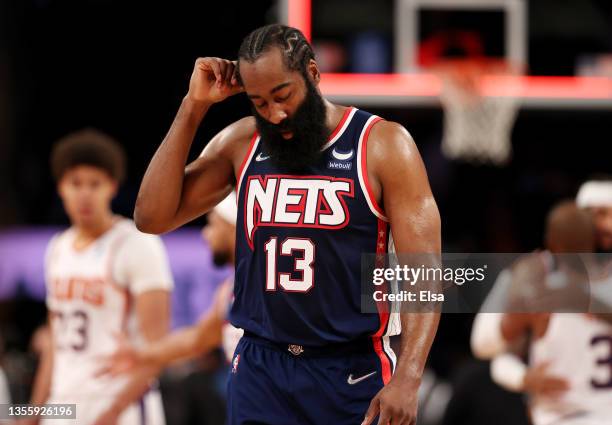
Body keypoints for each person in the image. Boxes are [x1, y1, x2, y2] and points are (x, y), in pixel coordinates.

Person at [135, 24, 441, 425]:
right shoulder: (243, 143)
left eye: (283, 96)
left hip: (349, 368)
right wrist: (193, 106)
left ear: (313, 74)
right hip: (261, 367)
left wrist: (409, 376)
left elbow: (427, 272)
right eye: (259, 103)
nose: (275, 114)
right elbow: (150, 216)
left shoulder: (382, 145)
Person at [30, 129, 174, 425]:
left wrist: (112, 412)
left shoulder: (137, 244)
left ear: (112, 187)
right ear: (61, 188)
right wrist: (33, 411)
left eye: (94, 184)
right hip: (65, 402)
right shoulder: (57, 248)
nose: (84, 194)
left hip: (120, 402)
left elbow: (159, 345)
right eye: (75, 183)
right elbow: (55, 342)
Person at [473, 195, 612, 425]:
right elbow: (486, 348)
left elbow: (488, 352)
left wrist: (522, 378)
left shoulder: (537, 290)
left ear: (551, 243)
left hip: (561, 417)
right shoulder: (535, 279)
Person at [98, 192, 242, 375]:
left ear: (233, 228)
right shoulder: (227, 290)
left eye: (213, 225)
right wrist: (140, 355)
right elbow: (197, 339)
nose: (205, 234)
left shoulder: (268, 285)